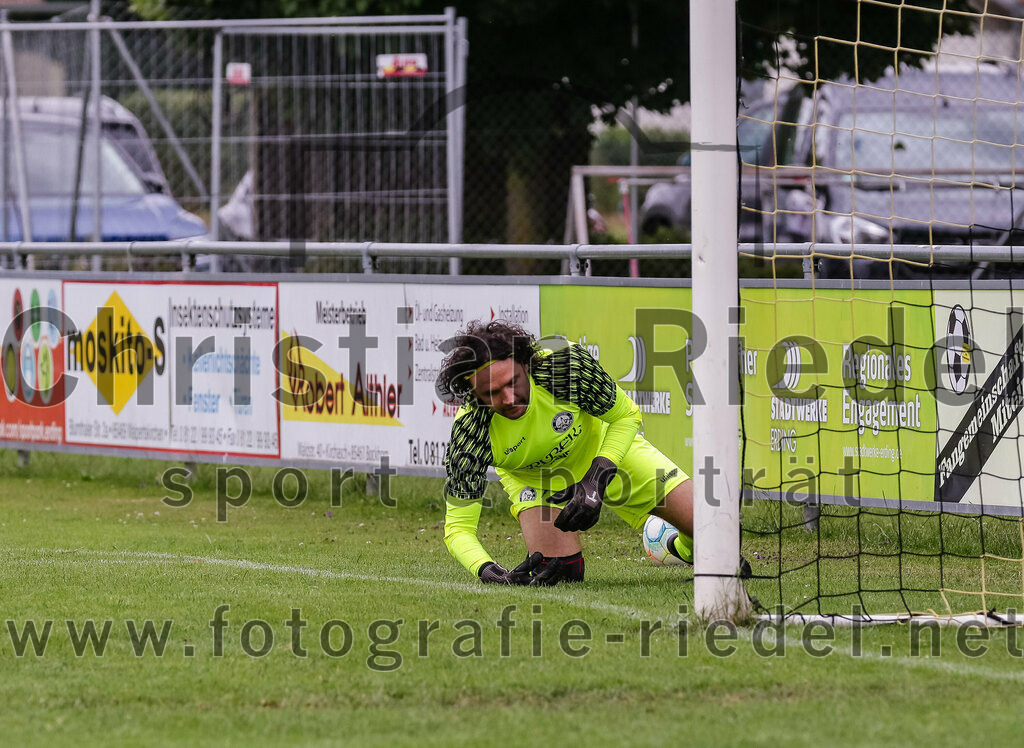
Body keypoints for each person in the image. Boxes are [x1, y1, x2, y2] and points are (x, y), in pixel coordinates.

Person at [437, 320, 695, 586]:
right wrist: (487, 570)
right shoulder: (471, 431)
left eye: (513, 382)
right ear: (475, 395)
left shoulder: (562, 365)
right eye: (492, 393)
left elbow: (626, 415)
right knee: (562, 575)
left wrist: (596, 479)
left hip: (607, 451)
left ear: (526, 365)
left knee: (717, 537)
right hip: (537, 483)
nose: (509, 398)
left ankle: (678, 546)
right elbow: (458, 529)